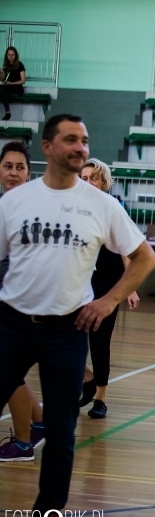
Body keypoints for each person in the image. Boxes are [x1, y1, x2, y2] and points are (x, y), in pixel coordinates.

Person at [0, 114, 155, 517]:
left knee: (62, 433)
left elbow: (145, 257)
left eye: (84, 140)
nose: (81, 147)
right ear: (47, 147)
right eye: (71, 139)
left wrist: (108, 301)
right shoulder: (15, 202)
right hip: (12, 325)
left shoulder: (103, 205)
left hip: (67, 331)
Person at [77, 159, 141, 419]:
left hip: (107, 282)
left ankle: (100, 398)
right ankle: (88, 377)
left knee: (100, 342)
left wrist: (131, 287)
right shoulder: (72, 207)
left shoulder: (114, 209)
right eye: (83, 178)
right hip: (78, 281)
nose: (87, 183)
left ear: (103, 182)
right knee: (65, 337)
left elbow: (129, 249)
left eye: (92, 178)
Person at [0, 142, 45, 462]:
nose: (13, 173)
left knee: (7, 372)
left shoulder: (33, 208)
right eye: (7, 166)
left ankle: (23, 442)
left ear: (29, 173)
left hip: (21, 303)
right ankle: (40, 423)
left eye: (19, 167)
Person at [0, 47, 25, 121]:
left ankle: (8, 112)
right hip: (8, 87)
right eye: (9, 55)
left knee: (1, 90)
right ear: (6, 56)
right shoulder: (6, 65)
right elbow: (3, 79)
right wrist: (1, 74)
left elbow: (23, 80)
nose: (11, 57)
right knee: (1, 90)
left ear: (15, 55)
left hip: (17, 87)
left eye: (13, 55)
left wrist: (11, 83)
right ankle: (7, 112)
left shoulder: (20, 65)